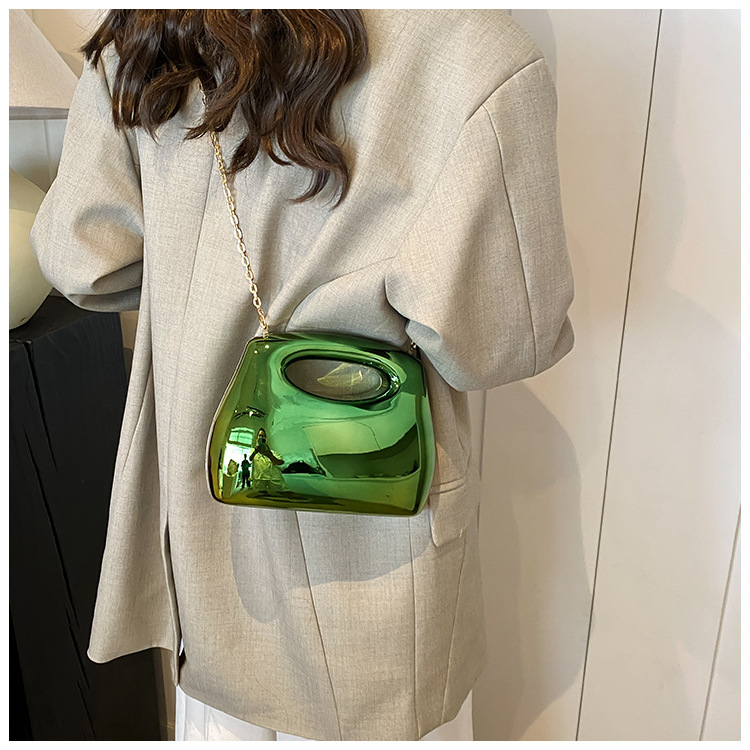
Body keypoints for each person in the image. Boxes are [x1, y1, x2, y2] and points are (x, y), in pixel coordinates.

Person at [30, 9, 575, 741]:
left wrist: (200, 289)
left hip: (207, 544)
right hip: (374, 561)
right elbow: (499, 340)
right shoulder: (474, 48)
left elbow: (83, 259)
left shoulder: (150, 31)